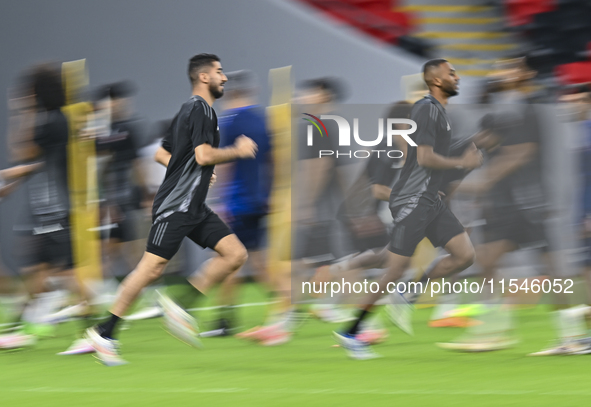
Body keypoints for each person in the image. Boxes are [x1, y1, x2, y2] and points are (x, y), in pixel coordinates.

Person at [85, 53, 258, 366]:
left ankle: (181, 306)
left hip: (193, 204)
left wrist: (194, 168)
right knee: (150, 269)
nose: (225, 78)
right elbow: (204, 155)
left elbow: (164, 154)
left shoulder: (188, 109)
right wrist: (237, 151)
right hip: (176, 205)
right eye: (220, 72)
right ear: (204, 77)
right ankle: (104, 332)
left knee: (235, 254)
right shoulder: (202, 111)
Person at [334, 59, 483, 359]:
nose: (457, 77)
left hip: (430, 198)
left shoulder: (440, 112)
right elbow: (426, 157)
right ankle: (351, 332)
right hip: (413, 199)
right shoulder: (427, 109)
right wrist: (461, 163)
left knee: (465, 255)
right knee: (394, 268)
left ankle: (409, 293)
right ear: (436, 81)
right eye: (451, 73)